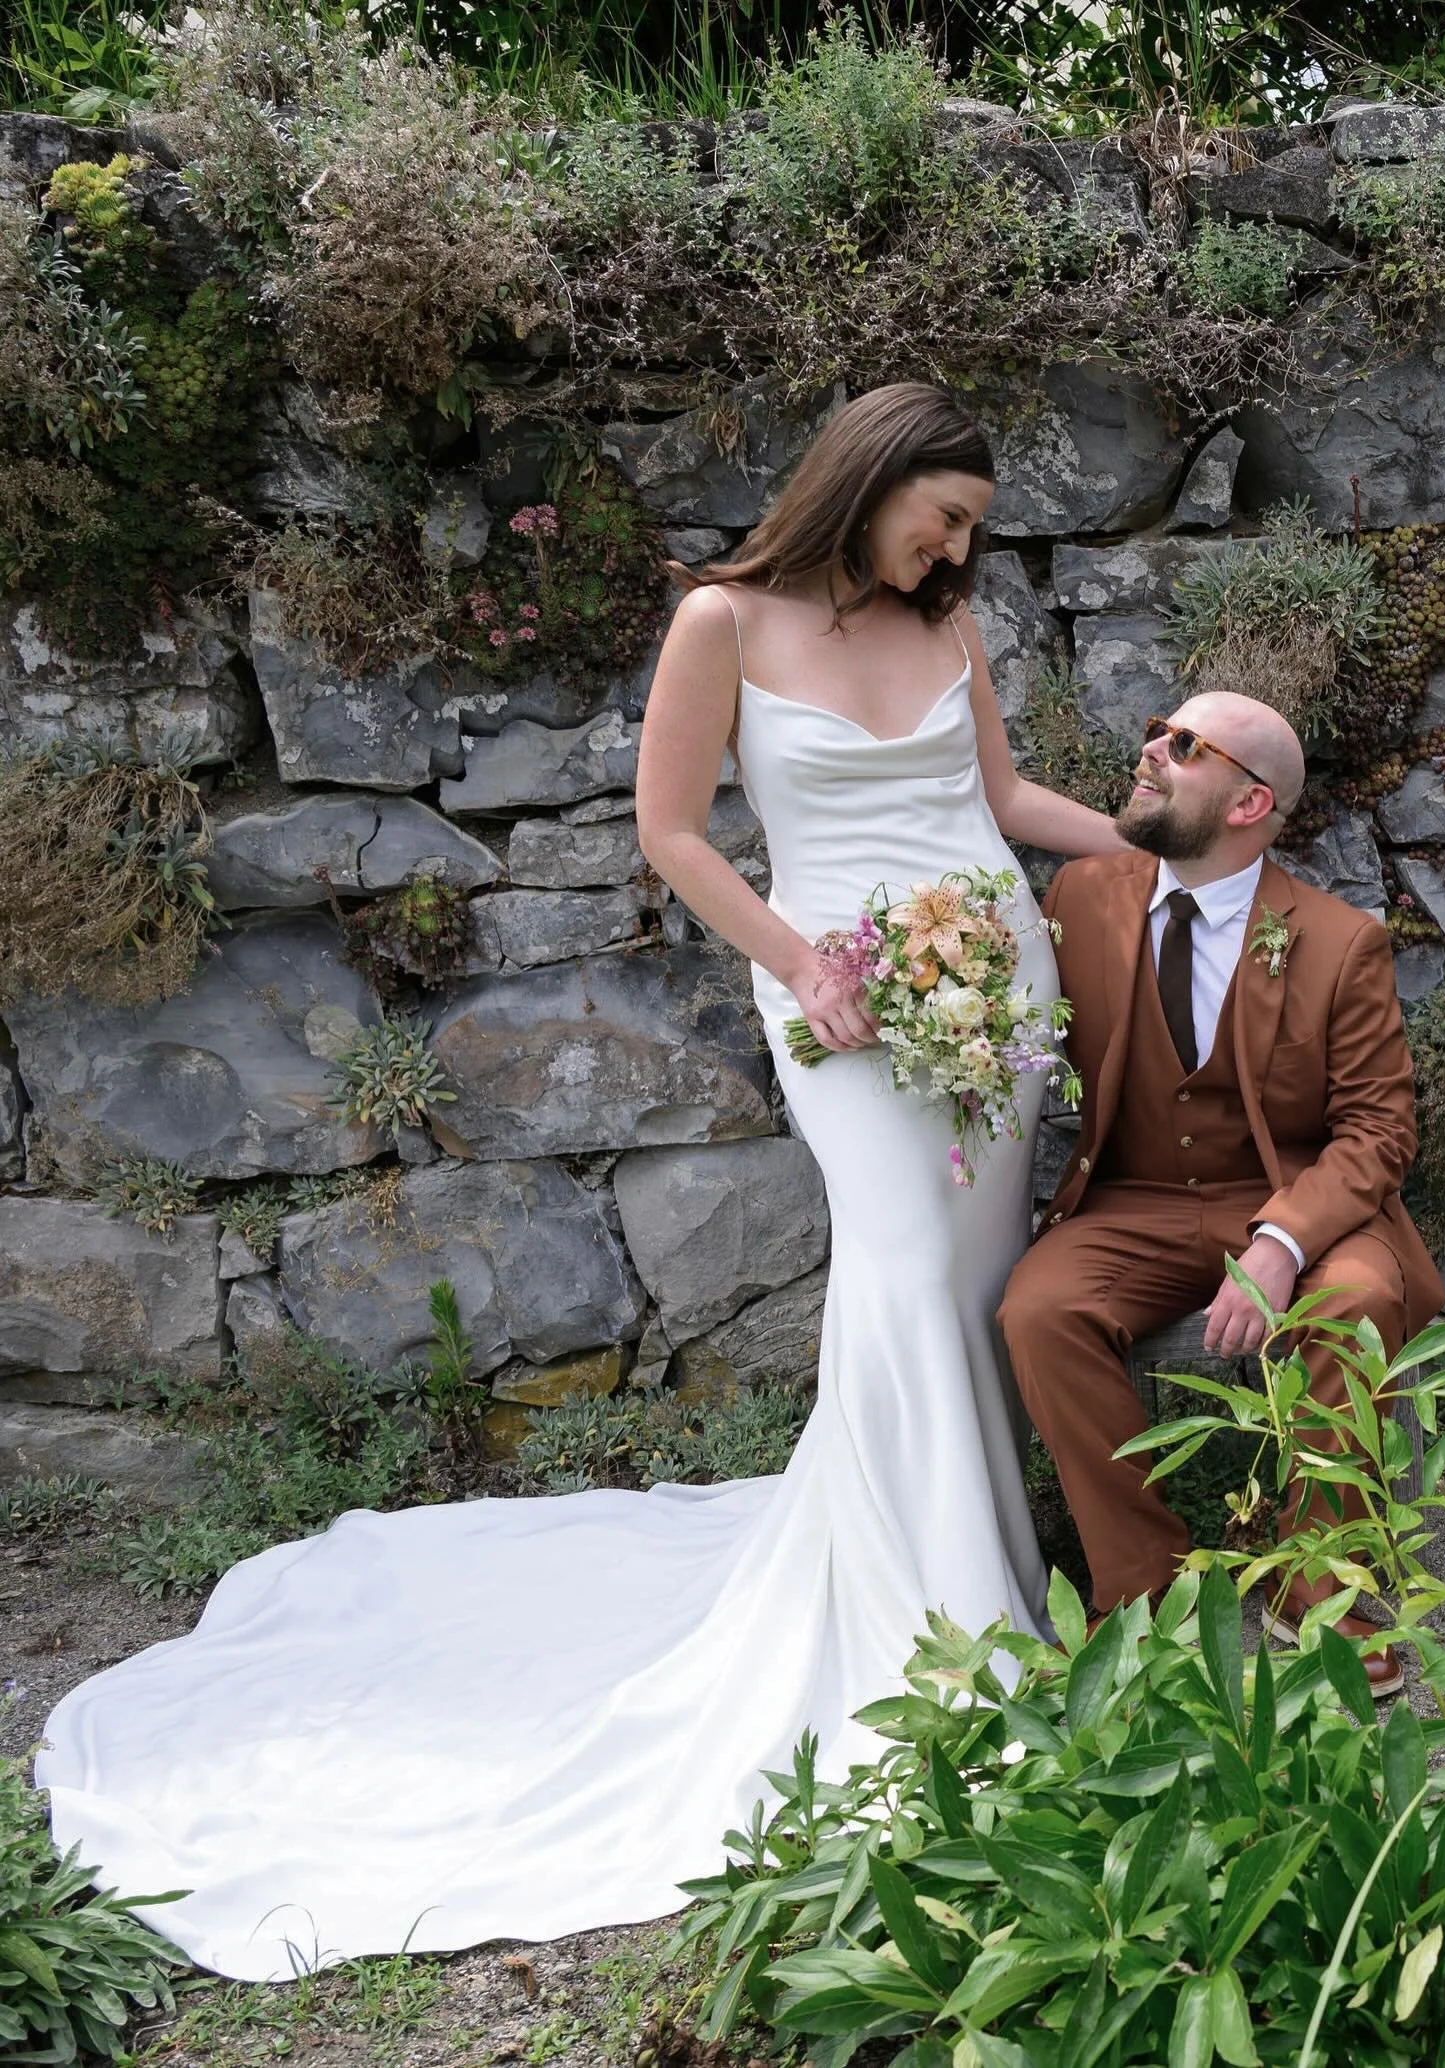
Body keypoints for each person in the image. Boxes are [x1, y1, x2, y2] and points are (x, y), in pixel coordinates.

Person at [35, 382, 1122, 1983]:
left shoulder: (952, 626)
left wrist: (1165, 851)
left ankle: (964, 1568)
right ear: (870, 478)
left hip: (991, 991)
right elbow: (672, 833)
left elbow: (1005, 803)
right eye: (938, 516)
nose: (954, 548)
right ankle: (937, 1633)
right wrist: (801, 965)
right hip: (832, 990)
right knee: (897, 1278)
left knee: (967, 1291)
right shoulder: (722, 620)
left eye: (968, 528)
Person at [997, 688, 1445, 1695]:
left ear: (1249, 804)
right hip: (1137, 1200)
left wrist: (1283, 1242)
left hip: (1289, 1194)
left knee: (1359, 1299)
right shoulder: (1079, 896)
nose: (1151, 749)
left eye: (1185, 745)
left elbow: (1379, 1129)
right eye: (1158, 730)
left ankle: (1315, 1586)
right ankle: (1144, 1588)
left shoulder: (1337, 941)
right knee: (1040, 1308)